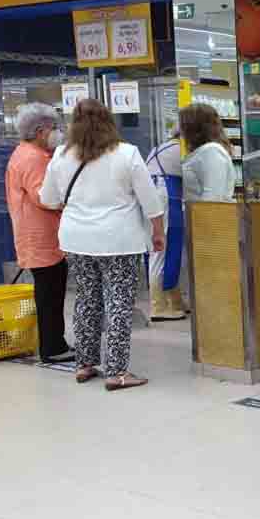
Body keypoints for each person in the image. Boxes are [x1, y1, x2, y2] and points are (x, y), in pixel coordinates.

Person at [40, 98, 164, 391]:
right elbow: (151, 200)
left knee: (86, 299)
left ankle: (84, 364)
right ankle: (117, 372)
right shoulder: (127, 153)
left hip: (76, 239)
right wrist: (158, 232)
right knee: (118, 302)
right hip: (118, 239)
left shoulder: (60, 155)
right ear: (109, 122)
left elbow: (48, 199)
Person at [5, 103, 73, 363]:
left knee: (50, 291)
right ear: (41, 130)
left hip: (37, 235)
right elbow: (45, 197)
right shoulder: (33, 158)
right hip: (40, 237)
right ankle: (52, 348)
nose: (57, 133)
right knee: (50, 293)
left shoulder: (24, 153)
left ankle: (55, 343)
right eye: (55, 128)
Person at [145, 131, 187, 321]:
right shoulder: (180, 149)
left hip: (158, 196)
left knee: (167, 252)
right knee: (161, 253)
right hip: (165, 197)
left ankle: (174, 301)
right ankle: (158, 306)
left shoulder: (160, 148)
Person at [180, 103, 235, 203]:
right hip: (196, 215)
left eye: (182, 124)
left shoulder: (212, 152)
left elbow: (213, 198)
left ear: (193, 127)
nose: (179, 129)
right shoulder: (201, 152)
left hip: (208, 217)